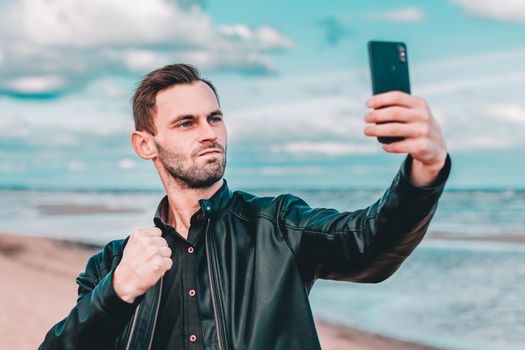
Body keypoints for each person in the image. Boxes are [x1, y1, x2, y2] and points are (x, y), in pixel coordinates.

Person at [39, 63, 451, 350]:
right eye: (186, 123)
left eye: (214, 118)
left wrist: (426, 168)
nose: (208, 133)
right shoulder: (111, 265)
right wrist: (119, 290)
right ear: (145, 144)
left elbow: (370, 243)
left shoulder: (278, 225)